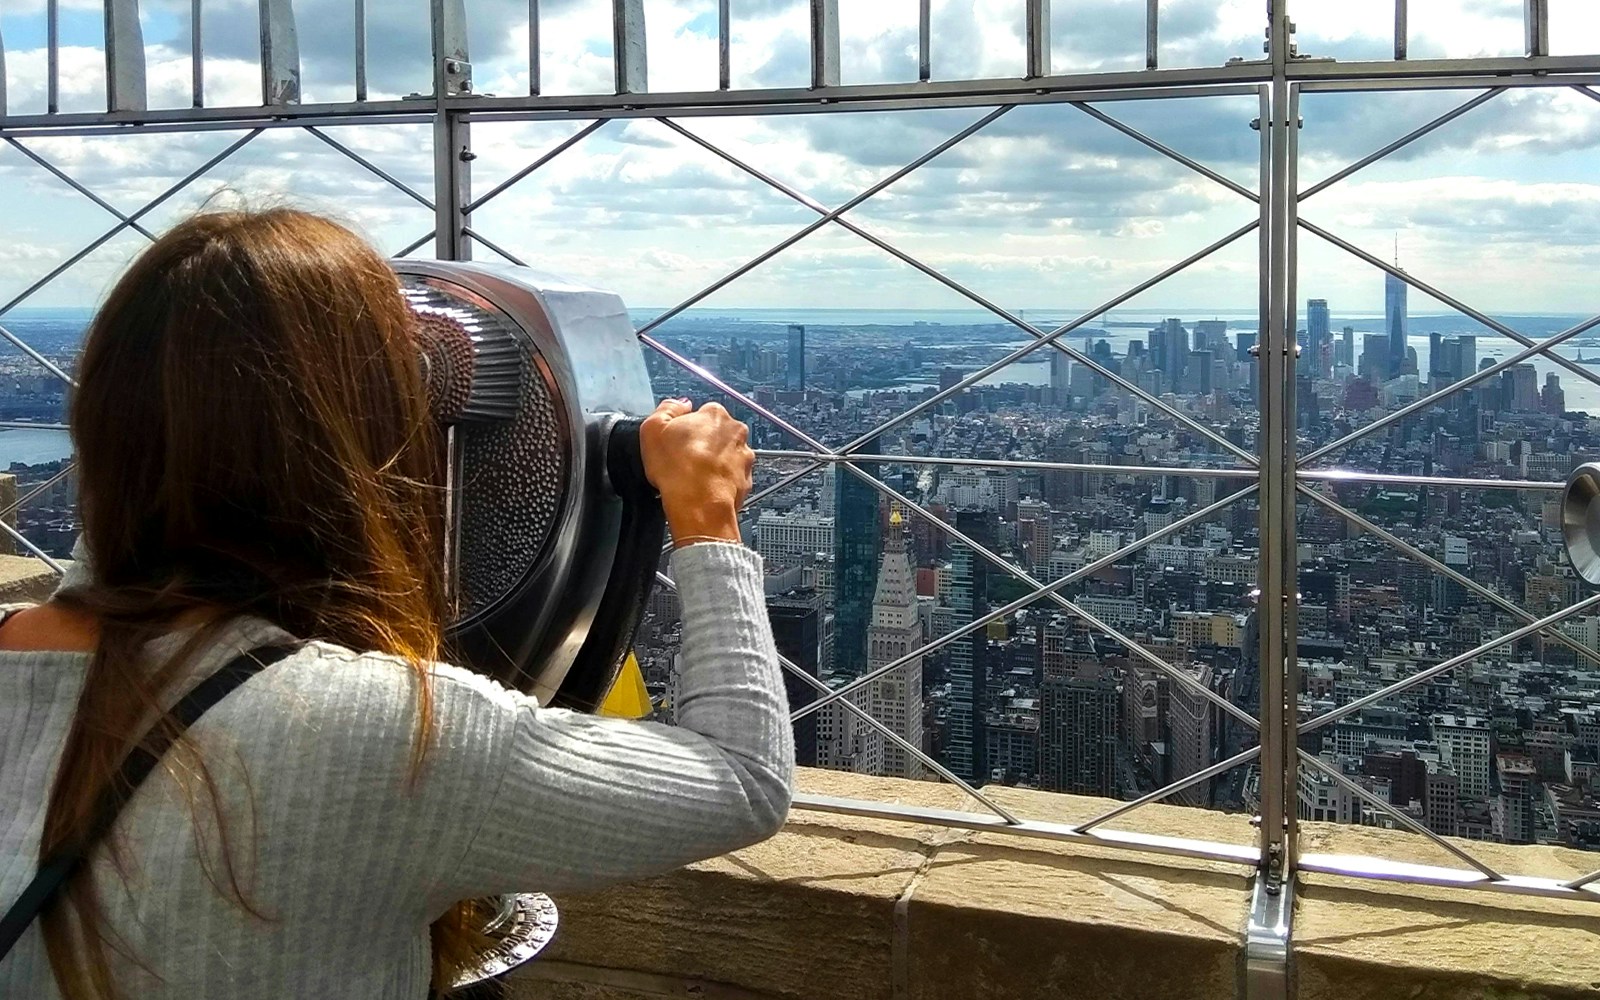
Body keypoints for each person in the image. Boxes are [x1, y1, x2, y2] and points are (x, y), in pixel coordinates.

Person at [0, 208, 793, 1000]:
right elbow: (742, 779)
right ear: (370, 438)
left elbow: (148, 525)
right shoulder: (392, 735)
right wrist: (705, 518)